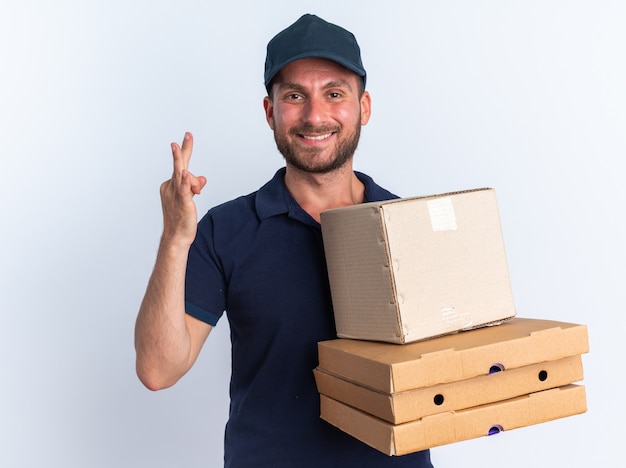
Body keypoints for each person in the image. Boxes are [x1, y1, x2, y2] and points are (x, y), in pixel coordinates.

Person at [135, 13, 434, 468]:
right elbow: (158, 370)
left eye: (334, 94)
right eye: (295, 96)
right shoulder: (225, 229)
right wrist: (174, 239)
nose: (315, 115)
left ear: (364, 107)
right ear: (271, 111)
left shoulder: (410, 225)